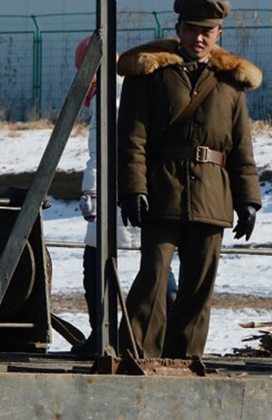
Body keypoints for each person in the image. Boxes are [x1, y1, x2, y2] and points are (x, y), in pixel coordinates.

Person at [116, 0, 262, 360]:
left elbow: (242, 149)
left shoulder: (230, 84)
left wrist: (248, 200)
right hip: (162, 191)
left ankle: (185, 360)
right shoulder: (150, 76)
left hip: (213, 196)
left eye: (207, 31)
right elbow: (132, 139)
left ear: (218, 34)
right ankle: (137, 356)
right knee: (152, 277)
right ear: (178, 29)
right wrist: (133, 188)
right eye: (192, 29)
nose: (199, 38)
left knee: (199, 289)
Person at [70, 36, 176, 356]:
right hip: (139, 186)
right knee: (156, 260)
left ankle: (101, 335)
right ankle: (164, 332)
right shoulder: (126, 89)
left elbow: (100, 152)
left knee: (96, 261)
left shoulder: (109, 98)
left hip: (115, 189)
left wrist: (90, 189)